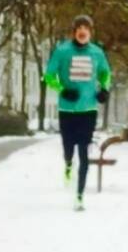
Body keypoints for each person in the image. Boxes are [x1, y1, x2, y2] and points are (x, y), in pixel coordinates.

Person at [43, 14, 112, 211]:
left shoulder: (97, 53)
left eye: (86, 28)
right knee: (68, 147)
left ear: (90, 32)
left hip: (88, 110)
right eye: (79, 28)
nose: (83, 31)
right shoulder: (62, 51)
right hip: (67, 109)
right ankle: (67, 163)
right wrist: (62, 89)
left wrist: (104, 89)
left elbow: (106, 73)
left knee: (83, 152)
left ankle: (79, 196)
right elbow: (48, 75)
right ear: (74, 31)